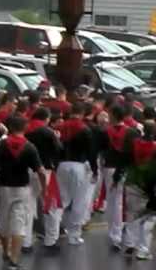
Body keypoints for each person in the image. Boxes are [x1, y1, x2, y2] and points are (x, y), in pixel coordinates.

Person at [0, 116, 46, 269]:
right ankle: (14, 258)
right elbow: (41, 171)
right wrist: (44, 189)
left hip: (2, 187)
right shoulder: (30, 147)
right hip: (21, 189)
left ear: (10, 127)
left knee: (4, 220)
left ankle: (5, 251)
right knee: (19, 223)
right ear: (24, 128)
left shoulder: (1, 145)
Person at [56, 101, 97, 246]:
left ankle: (54, 231)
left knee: (61, 200)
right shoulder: (85, 129)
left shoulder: (60, 127)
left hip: (62, 165)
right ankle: (74, 235)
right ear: (82, 113)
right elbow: (91, 152)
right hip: (79, 166)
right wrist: (94, 169)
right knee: (79, 201)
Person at [113, 121, 156, 260]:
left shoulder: (134, 144)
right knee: (148, 218)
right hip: (148, 184)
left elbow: (123, 160)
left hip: (132, 180)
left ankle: (130, 243)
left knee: (132, 214)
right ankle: (143, 249)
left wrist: (116, 178)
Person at [25, 107, 62, 250]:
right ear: (46, 118)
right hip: (45, 170)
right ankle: (51, 240)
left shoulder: (26, 129)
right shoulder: (48, 132)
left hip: (27, 171)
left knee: (28, 206)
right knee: (51, 205)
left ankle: (26, 242)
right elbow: (58, 149)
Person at [103, 105, 139, 251]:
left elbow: (101, 151)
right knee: (124, 203)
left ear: (112, 115)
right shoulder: (132, 132)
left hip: (109, 168)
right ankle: (125, 234)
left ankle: (114, 236)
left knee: (112, 202)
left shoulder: (105, 132)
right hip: (126, 169)